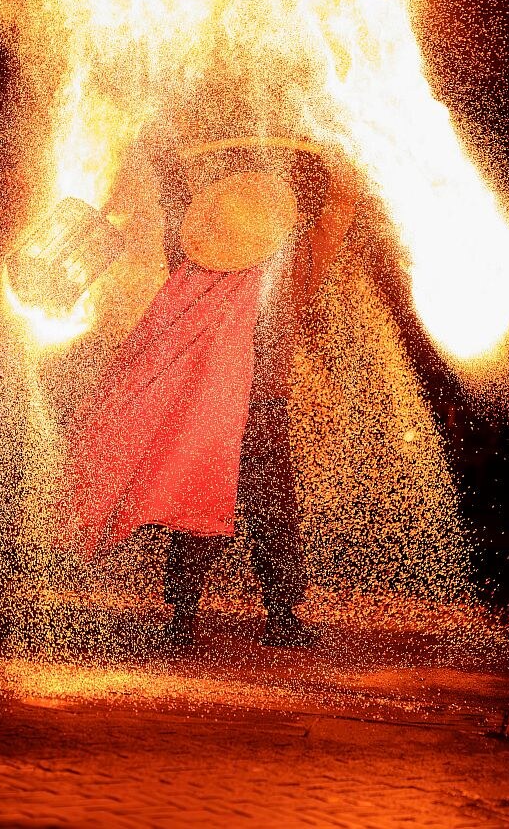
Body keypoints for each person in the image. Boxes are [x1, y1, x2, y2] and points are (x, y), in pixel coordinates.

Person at [62, 140, 359, 647]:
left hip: (211, 408)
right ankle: (279, 616)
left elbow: (173, 189)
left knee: (196, 503)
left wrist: (167, 156)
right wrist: (337, 148)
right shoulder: (294, 265)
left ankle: (182, 617)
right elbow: (338, 207)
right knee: (264, 509)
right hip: (256, 409)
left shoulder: (193, 261)